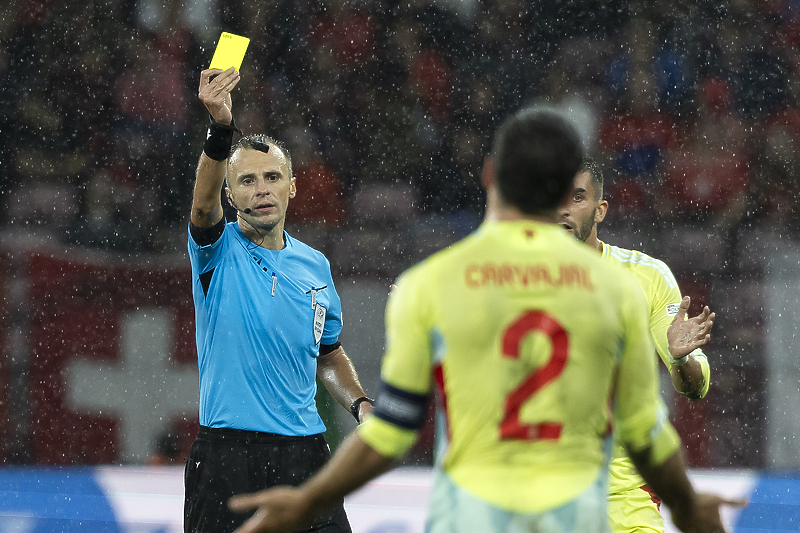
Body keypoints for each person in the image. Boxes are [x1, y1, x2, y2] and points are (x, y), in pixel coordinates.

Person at [226, 108, 742, 533]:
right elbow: (644, 431)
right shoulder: (612, 290)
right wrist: (688, 505)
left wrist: (308, 499)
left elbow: (393, 431)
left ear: (491, 176)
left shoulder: (430, 284)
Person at [184, 66, 373, 533]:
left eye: (272, 177)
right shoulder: (215, 251)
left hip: (306, 455)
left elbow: (328, 354)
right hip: (227, 458)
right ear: (230, 196)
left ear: (292, 187)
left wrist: (361, 405)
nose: (262, 188)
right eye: (247, 181)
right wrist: (221, 128)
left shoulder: (315, 266)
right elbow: (200, 205)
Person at [558, 158, 714, 533]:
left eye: (577, 198)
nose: (563, 208)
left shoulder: (646, 277)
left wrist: (680, 361)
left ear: (600, 211)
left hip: (623, 498)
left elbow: (697, 385)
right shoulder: (505, 281)